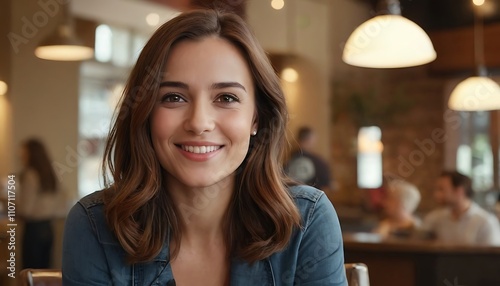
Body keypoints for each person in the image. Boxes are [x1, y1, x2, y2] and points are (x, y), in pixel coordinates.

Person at [62, 9, 346, 286]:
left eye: (226, 97)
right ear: (145, 113)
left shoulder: (306, 222)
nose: (199, 123)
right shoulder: (95, 226)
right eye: (173, 97)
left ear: (256, 117)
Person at [422, 170, 500, 246]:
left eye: (441, 189)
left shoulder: (485, 222)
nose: (436, 194)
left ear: (459, 191)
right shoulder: (435, 218)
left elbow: (491, 257)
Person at [18, 138, 62, 268]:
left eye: (23, 152)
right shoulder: (51, 173)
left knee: (30, 271)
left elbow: (25, 209)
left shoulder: (31, 175)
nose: (21, 156)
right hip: (48, 227)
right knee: (44, 272)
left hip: (34, 229)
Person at [285, 126, 333, 193]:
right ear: (310, 140)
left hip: (289, 199)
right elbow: (326, 187)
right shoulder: (319, 162)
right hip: (312, 200)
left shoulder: (287, 160)